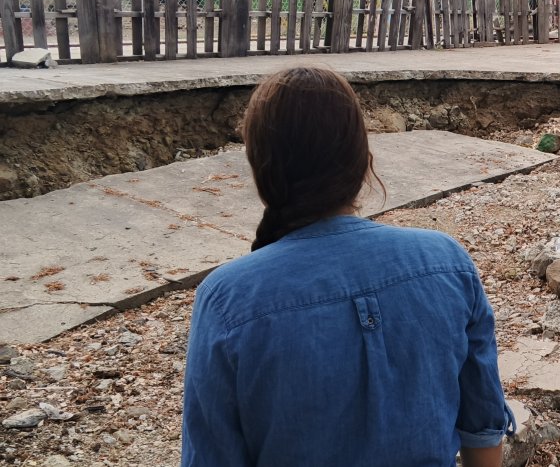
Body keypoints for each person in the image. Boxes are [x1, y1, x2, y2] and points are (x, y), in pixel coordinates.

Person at [181, 66, 513, 467]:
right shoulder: (447, 263)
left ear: (261, 166)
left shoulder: (227, 301)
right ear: (362, 159)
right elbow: (483, 432)